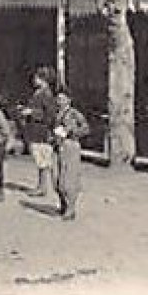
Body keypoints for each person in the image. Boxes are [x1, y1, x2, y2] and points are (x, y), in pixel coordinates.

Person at [21, 67, 58, 197]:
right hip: (35, 130)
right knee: (39, 159)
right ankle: (41, 186)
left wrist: (32, 113)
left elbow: (50, 114)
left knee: (43, 160)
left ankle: (44, 187)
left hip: (42, 131)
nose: (34, 80)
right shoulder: (38, 93)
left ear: (43, 80)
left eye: (36, 77)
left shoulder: (46, 95)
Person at [53, 90, 89, 220]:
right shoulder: (56, 113)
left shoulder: (74, 114)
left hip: (71, 146)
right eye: (58, 99)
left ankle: (71, 208)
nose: (59, 101)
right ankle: (63, 204)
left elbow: (85, 129)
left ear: (69, 100)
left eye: (62, 99)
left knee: (70, 179)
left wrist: (72, 131)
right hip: (58, 146)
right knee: (57, 178)